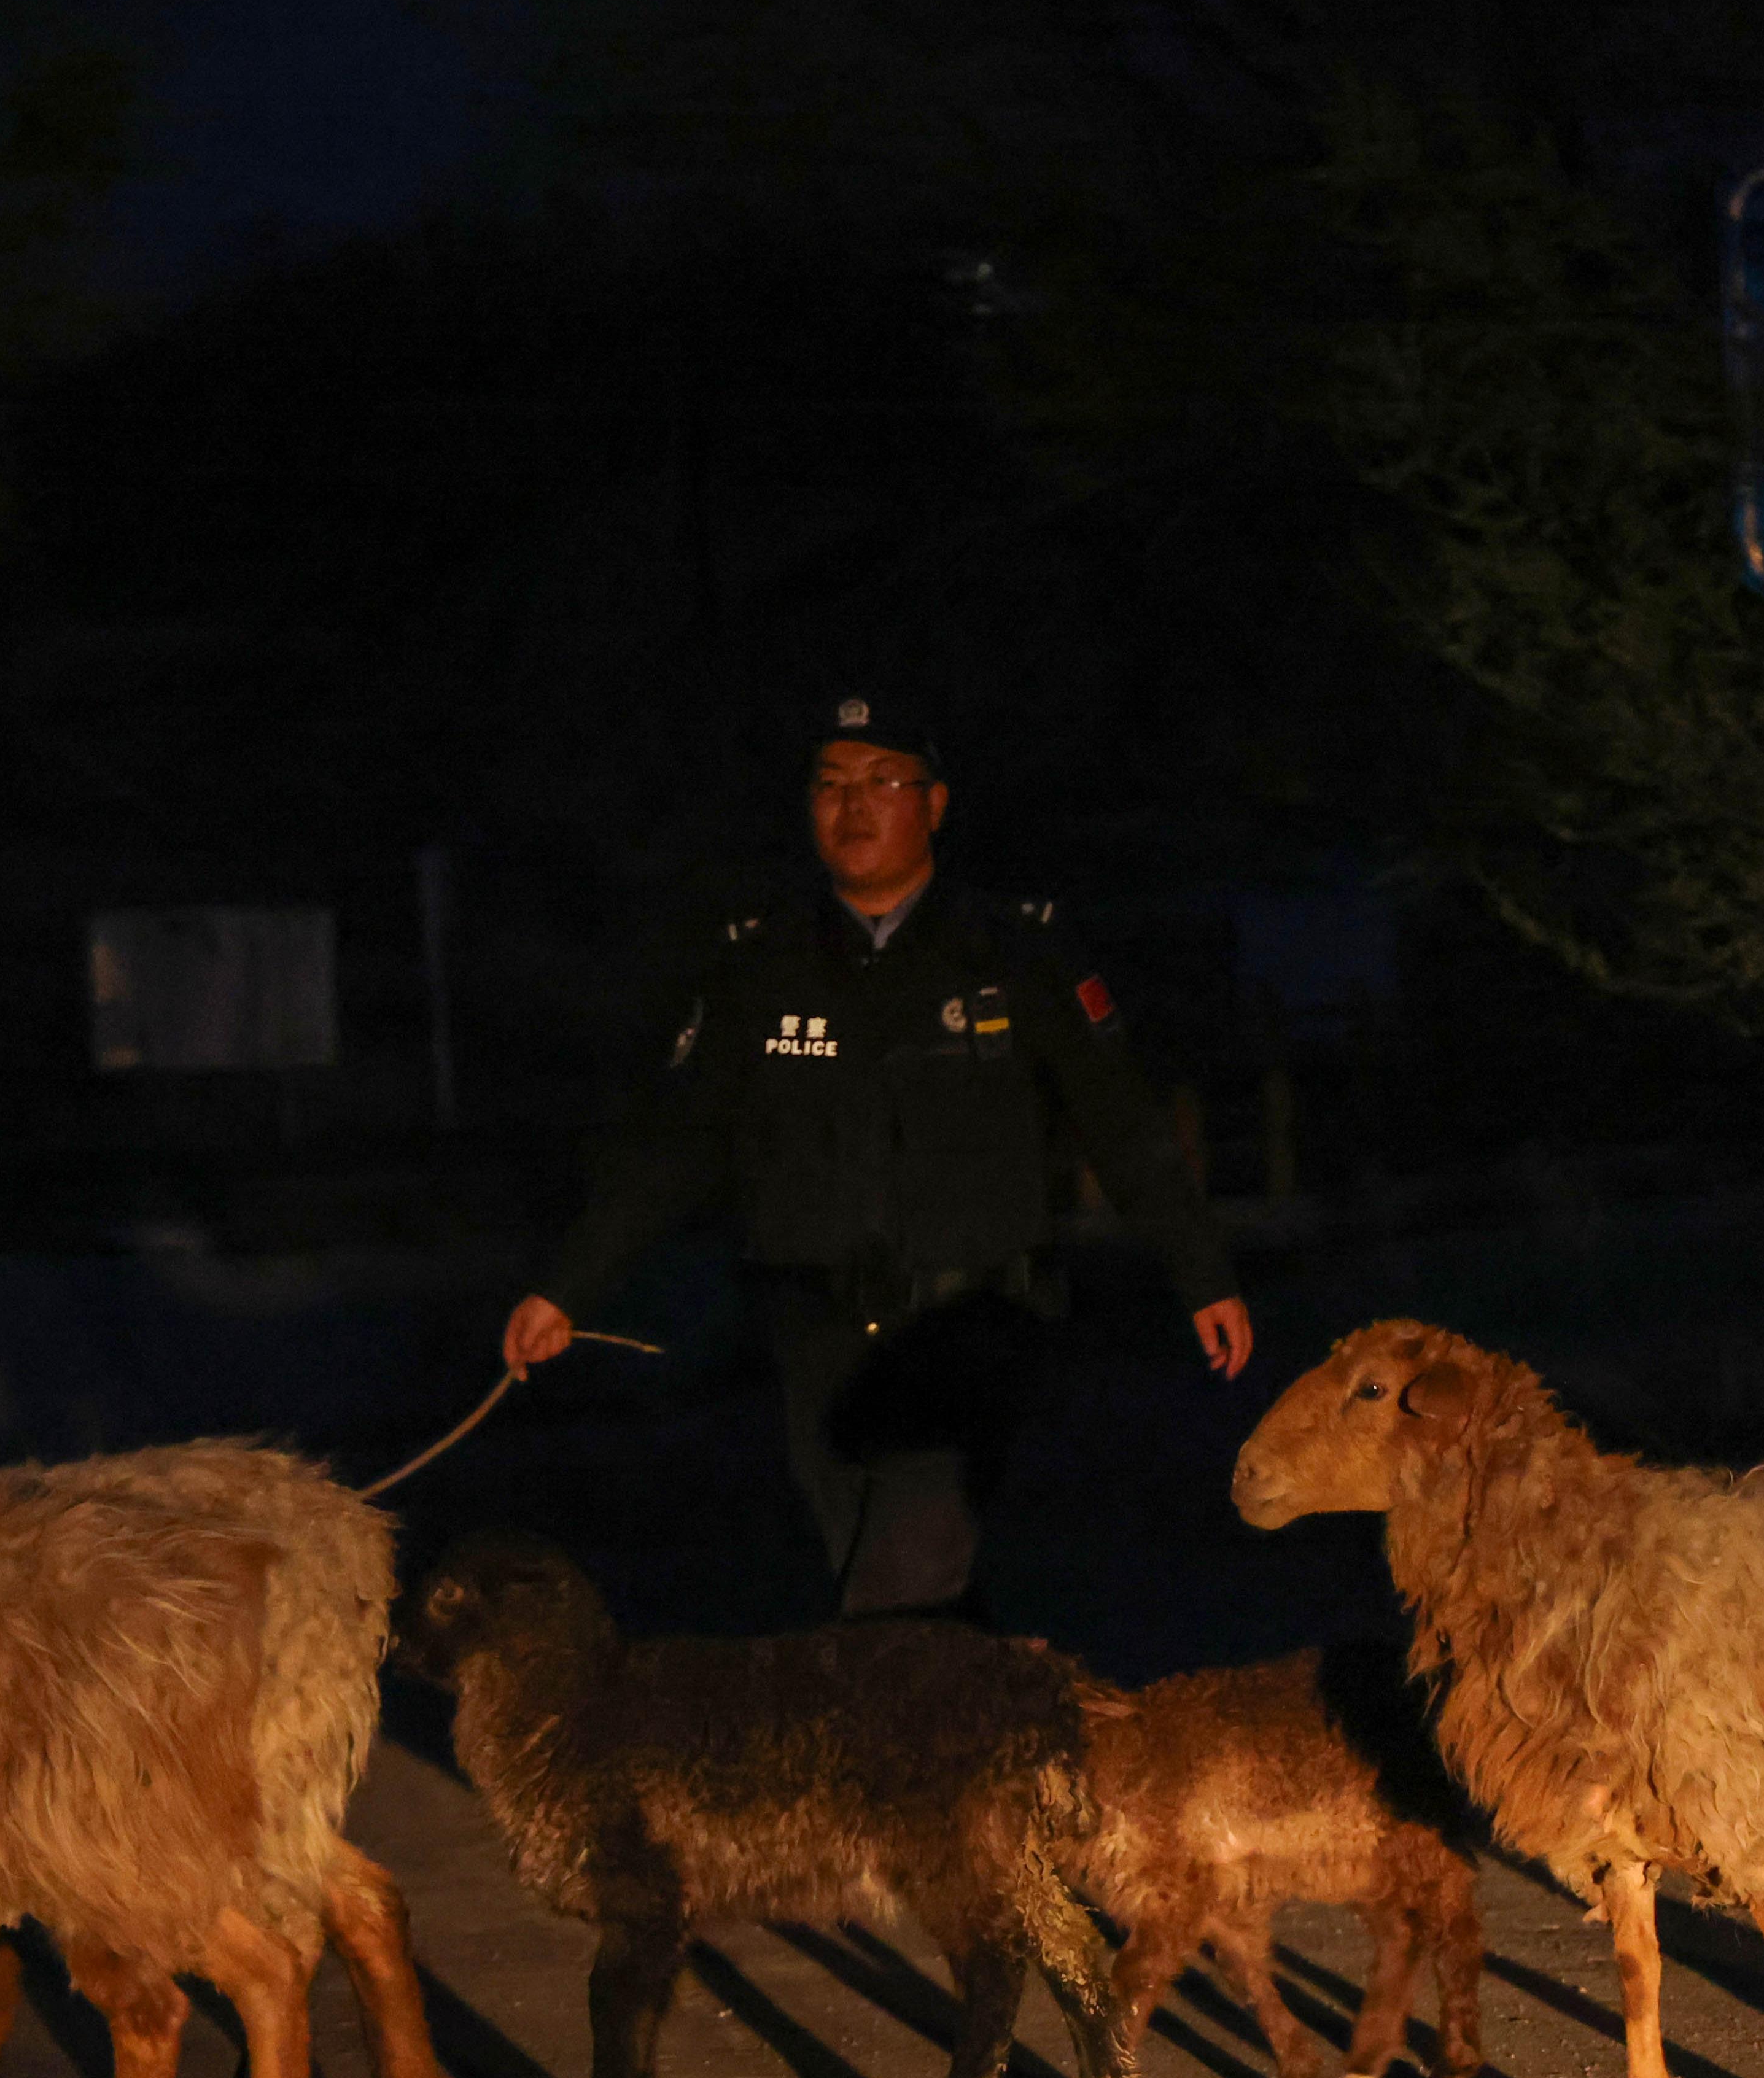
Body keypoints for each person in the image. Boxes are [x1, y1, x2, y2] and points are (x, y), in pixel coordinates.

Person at [503, 692, 1253, 1617]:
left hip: (968, 1325)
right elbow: (676, 1146)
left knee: (896, 1595)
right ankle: (982, 1750)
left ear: (934, 803)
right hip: (815, 1334)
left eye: (882, 783)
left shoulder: (1015, 953)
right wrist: (567, 1287)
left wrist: (1201, 1272)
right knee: (902, 1605)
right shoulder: (759, 965)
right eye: (831, 787)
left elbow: (1122, 1123)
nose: (853, 809)